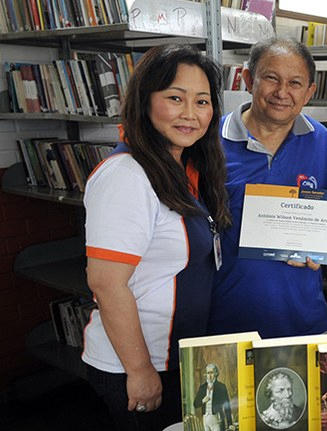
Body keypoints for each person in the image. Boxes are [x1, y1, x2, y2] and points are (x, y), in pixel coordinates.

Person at [83, 44, 231, 431]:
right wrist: (140, 370)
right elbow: (106, 283)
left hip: (176, 358)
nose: (190, 113)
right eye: (175, 98)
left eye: (202, 101)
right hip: (136, 364)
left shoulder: (185, 169)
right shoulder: (127, 176)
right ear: (145, 102)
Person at [209, 37, 327, 338]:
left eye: (295, 83)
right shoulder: (210, 141)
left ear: (309, 92)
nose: (282, 92)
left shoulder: (320, 140)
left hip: (306, 318)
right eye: (271, 78)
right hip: (228, 319)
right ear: (247, 79)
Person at [193, 363, 234, 431]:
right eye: (208, 373)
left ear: (216, 373)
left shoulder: (221, 387)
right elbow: (195, 404)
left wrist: (230, 423)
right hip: (205, 419)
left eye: (211, 373)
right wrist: (203, 400)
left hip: (217, 419)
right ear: (206, 375)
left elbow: (227, 406)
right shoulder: (202, 388)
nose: (210, 375)